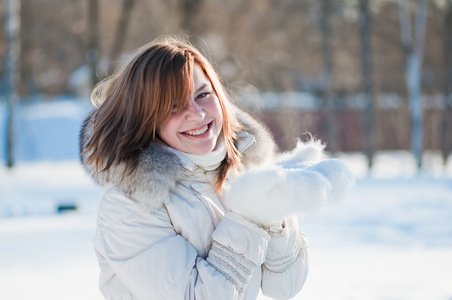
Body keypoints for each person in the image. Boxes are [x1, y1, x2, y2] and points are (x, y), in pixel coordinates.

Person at [79, 36, 354, 300]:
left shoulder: (240, 166)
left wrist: (275, 209)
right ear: (145, 118)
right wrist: (248, 215)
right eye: (173, 106)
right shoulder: (129, 203)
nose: (197, 115)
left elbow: (284, 286)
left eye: (202, 94)